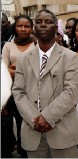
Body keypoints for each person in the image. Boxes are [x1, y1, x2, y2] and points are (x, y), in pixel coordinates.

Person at [12, 9, 78, 158]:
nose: (43, 25)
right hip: (33, 133)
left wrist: (47, 117)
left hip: (63, 133)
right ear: (34, 28)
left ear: (56, 27)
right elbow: (18, 92)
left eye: (48, 22)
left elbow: (71, 92)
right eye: (39, 22)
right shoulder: (24, 59)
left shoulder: (70, 57)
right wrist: (35, 120)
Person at [2, 14, 37, 158]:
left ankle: (26, 152)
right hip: (11, 93)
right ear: (14, 27)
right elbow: (4, 70)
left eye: (27, 26)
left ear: (31, 28)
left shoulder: (37, 45)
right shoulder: (8, 46)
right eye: (20, 26)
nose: (23, 29)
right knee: (8, 125)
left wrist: (18, 69)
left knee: (28, 125)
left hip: (32, 93)